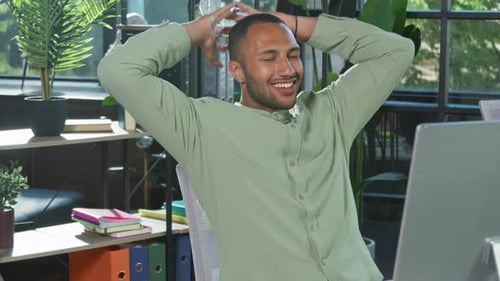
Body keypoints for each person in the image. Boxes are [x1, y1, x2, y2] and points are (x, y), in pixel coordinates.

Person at [98, 2, 414, 280]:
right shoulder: (200, 127)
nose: (287, 69)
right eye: (269, 57)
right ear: (237, 70)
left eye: (293, 55)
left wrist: (289, 24)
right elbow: (118, 70)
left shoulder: (332, 113)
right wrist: (201, 28)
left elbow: (397, 51)